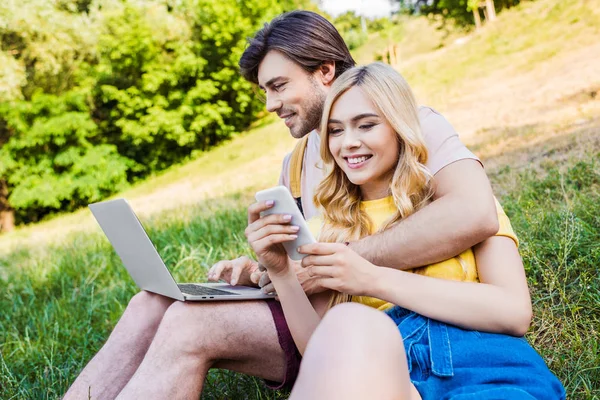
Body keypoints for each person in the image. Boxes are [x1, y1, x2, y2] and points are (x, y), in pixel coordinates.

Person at [64, 11, 500, 399]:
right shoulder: (295, 166)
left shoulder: (410, 124)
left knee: (188, 322)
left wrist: (337, 264)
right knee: (150, 304)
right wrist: (257, 269)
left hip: (362, 323)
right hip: (307, 307)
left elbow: (474, 212)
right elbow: (295, 261)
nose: (271, 104)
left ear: (325, 71)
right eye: (264, 91)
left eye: (278, 86)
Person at [245, 62, 565, 399]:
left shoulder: (450, 209)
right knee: (347, 323)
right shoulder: (327, 230)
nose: (349, 143)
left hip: (487, 371)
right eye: (336, 131)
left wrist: (371, 278)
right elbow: (323, 361)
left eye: (366, 125)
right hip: (392, 382)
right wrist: (282, 274)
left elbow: (514, 313)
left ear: (400, 128)